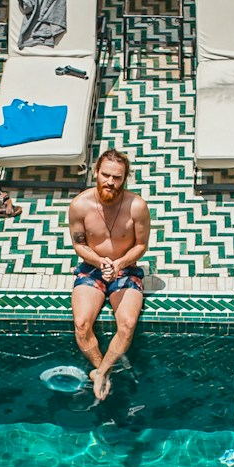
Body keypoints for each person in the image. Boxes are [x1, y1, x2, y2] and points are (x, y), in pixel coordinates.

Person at [69, 148, 151, 402]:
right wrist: (100, 261)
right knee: (82, 324)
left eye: (117, 177)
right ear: (96, 172)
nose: (110, 182)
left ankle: (102, 371)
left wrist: (120, 262)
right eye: (106, 175)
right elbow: (79, 244)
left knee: (126, 325)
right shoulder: (80, 205)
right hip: (92, 268)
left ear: (125, 178)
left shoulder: (136, 207)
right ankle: (101, 371)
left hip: (125, 270)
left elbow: (141, 245)